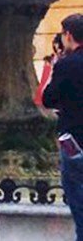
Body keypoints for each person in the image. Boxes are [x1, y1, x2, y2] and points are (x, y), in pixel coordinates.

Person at [43, 13, 83, 240]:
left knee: (78, 203)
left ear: (68, 35)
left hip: (75, 142)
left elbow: (49, 98)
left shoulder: (66, 65)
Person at [36, 34, 65, 107]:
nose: (58, 52)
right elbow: (45, 81)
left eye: (60, 49)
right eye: (56, 50)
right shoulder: (51, 62)